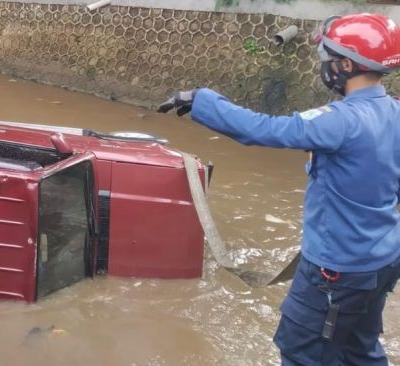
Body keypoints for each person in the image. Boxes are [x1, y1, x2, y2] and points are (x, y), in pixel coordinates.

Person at [158, 13, 400, 366]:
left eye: (330, 61)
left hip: (335, 271)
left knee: (301, 353)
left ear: (346, 64)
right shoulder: (393, 111)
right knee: (358, 350)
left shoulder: (340, 120)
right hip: (382, 261)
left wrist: (202, 99)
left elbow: (265, 129)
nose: (326, 68)